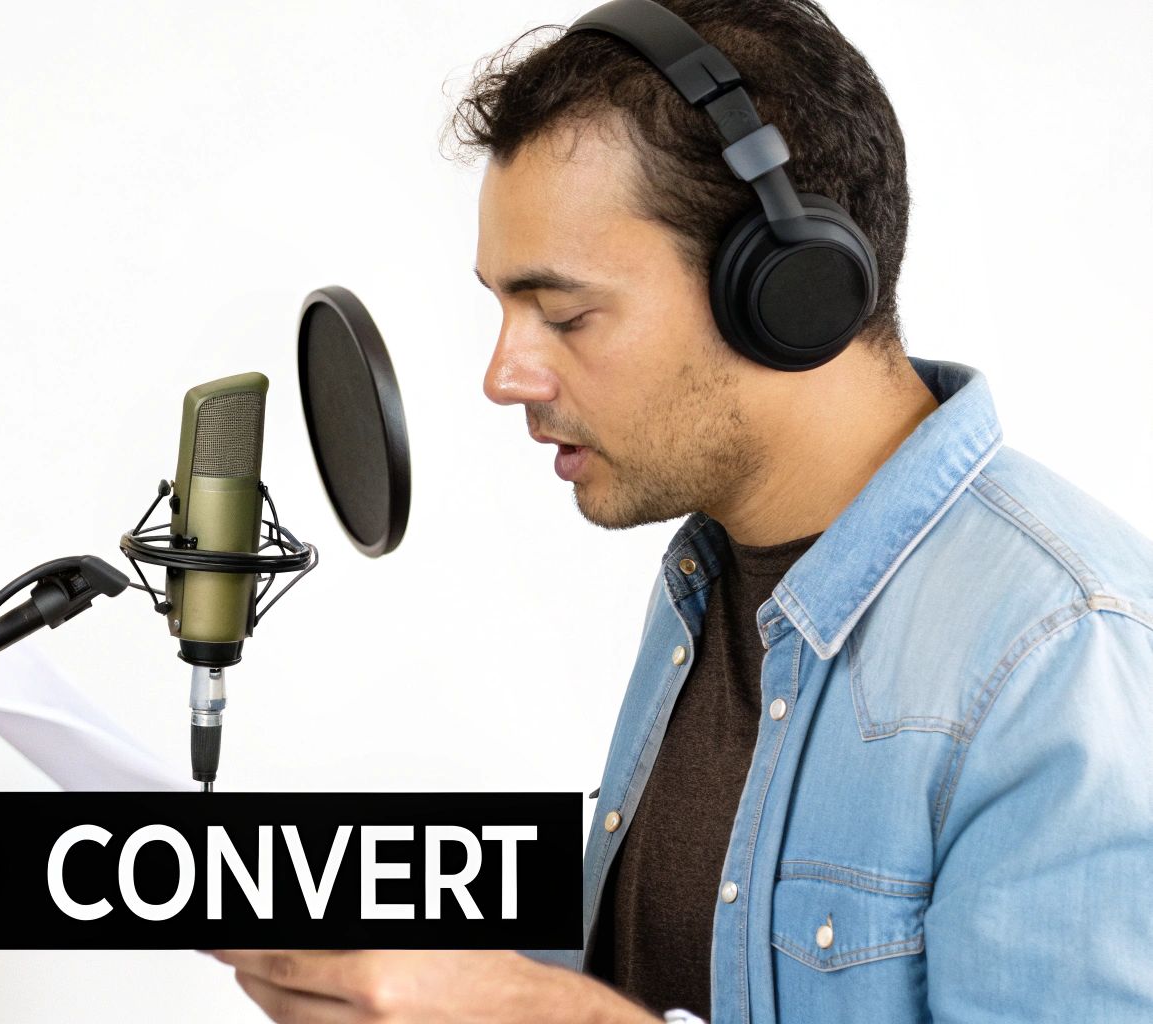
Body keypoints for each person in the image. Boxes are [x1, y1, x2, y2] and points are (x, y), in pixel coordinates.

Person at [210, 0, 1153, 1020]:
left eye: (564, 313)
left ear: (786, 292)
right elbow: (674, 967)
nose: (502, 374)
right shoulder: (715, 578)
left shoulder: (1061, 658)